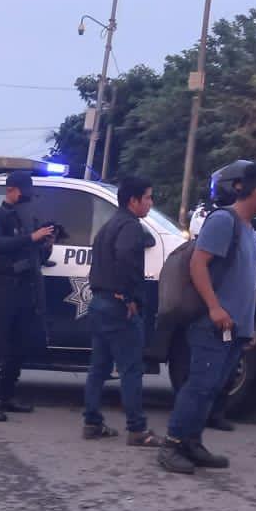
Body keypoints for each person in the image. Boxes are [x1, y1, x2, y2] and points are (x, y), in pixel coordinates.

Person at [157, 161, 256, 475]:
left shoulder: (250, 230)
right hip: (212, 324)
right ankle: (171, 445)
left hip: (234, 328)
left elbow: (246, 281)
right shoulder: (224, 221)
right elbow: (198, 264)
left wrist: (247, 327)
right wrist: (214, 307)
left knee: (213, 387)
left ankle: (192, 443)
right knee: (199, 384)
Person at [81, 176, 160, 445]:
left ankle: (92, 423)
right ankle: (137, 429)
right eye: (148, 197)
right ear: (133, 200)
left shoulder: (109, 226)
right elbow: (126, 256)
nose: (150, 203)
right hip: (118, 307)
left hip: (101, 304)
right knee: (130, 369)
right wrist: (128, 295)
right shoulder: (130, 227)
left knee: (99, 368)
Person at [0, 169, 54, 421]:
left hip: (24, 289)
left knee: (18, 345)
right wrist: (31, 237)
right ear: (11, 190)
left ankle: (6, 395)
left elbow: (35, 256)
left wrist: (44, 245)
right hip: (2, 288)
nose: (26, 197)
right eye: (23, 191)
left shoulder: (25, 218)